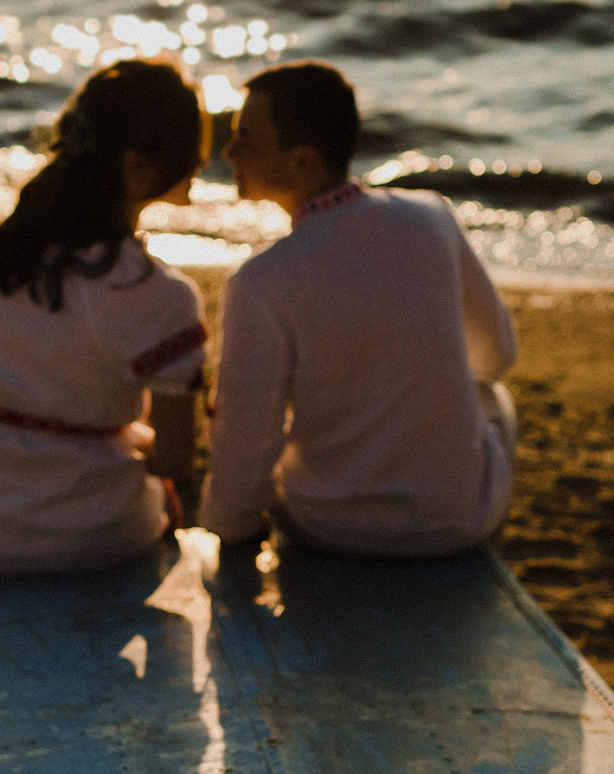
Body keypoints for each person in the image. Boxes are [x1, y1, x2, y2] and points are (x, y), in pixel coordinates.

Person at [199, 61, 518, 557]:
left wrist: (230, 529)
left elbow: (246, 442)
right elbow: (495, 354)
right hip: (458, 525)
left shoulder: (261, 281)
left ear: (304, 161)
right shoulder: (431, 218)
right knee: (494, 399)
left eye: (247, 139)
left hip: (331, 530)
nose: (229, 152)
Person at [0, 59, 208, 574]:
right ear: (137, 168)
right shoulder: (160, 295)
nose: (202, 161)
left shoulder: (22, 243)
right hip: (82, 531)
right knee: (167, 504)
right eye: (193, 150)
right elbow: (173, 460)